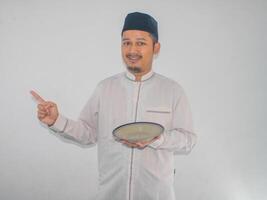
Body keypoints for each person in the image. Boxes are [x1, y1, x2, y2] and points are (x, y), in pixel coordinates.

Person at [31, 12, 196, 200]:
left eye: (141, 43)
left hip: (156, 195)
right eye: (126, 42)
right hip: (110, 194)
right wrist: (56, 121)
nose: (132, 50)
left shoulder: (173, 90)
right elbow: (88, 133)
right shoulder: (105, 88)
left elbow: (188, 139)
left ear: (156, 47)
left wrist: (158, 139)